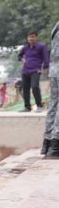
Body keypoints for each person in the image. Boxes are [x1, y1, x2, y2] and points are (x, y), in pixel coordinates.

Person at [17, 31, 49, 112]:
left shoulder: (42, 46)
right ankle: (27, 107)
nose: (31, 38)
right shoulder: (25, 47)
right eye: (29, 37)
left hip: (36, 70)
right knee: (25, 89)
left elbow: (46, 58)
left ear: (36, 37)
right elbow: (19, 56)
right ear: (27, 38)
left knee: (35, 86)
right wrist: (22, 59)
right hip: (25, 71)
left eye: (33, 36)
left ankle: (39, 106)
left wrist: (45, 67)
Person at [45, 22, 59, 157]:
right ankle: (56, 145)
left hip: (54, 70)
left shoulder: (56, 26)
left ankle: (47, 143)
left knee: (53, 104)